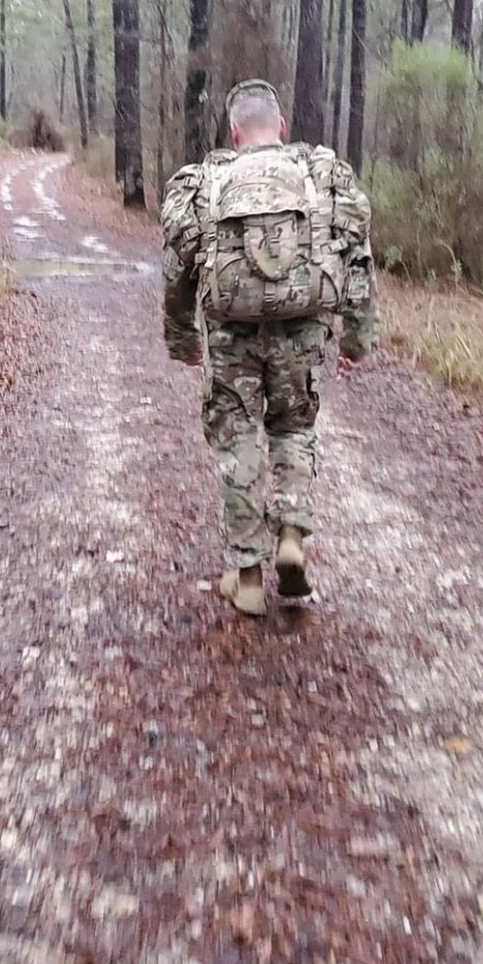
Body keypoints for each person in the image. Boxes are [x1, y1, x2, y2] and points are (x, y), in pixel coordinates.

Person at [160, 79, 378, 616]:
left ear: (234, 133)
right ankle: (292, 538)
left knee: (236, 441)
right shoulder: (322, 174)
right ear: (281, 127)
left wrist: (182, 336)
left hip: (230, 337)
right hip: (302, 331)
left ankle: (249, 577)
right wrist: (356, 336)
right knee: (293, 430)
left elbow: (177, 267)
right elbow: (357, 256)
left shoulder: (203, 180)